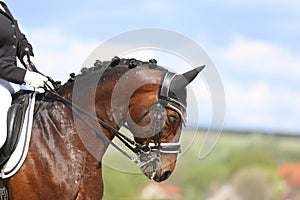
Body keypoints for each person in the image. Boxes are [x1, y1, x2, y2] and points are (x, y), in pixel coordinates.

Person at [0, 1, 49, 149]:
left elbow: (18, 37)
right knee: (1, 135)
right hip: (4, 82)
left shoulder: (3, 6)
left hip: (11, 79)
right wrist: (24, 76)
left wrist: (26, 54)